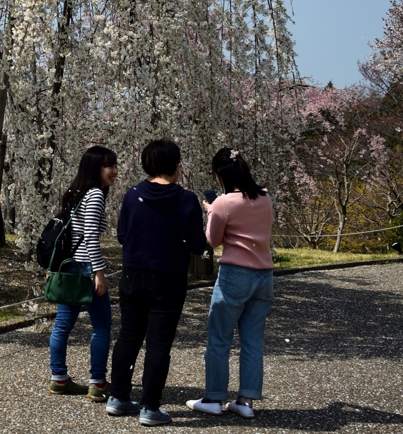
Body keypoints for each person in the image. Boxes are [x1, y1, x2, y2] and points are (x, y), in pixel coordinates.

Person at [106, 139, 208, 426]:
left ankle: (118, 397)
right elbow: (199, 246)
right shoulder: (186, 199)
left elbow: (122, 236)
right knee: (158, 344)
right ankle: (150, 408)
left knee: (128, 336)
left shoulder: (132, 194)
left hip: (133, 275)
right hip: (169, 279)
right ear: (176, 165)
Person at [186, 148, 274, 419]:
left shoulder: (224, 203)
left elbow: (213, 241)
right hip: (264, 275)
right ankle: (245, 401)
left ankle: (214, 398)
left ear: (220, 175)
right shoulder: (265, 196)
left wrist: (212, 210)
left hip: (235, 274)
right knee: (252, 342)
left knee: (220, 338)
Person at [48, 145, 118, 402]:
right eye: (108, 166)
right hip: (85, 270)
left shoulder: (76, 193)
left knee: (62, 325)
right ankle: (98, 383)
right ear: (94, 168)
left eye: (114, 165)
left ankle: (59, 378)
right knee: (102, 325)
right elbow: (89, 237)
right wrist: (99, 272)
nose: (114, 171)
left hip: (69, 267)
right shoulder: (96, 195)